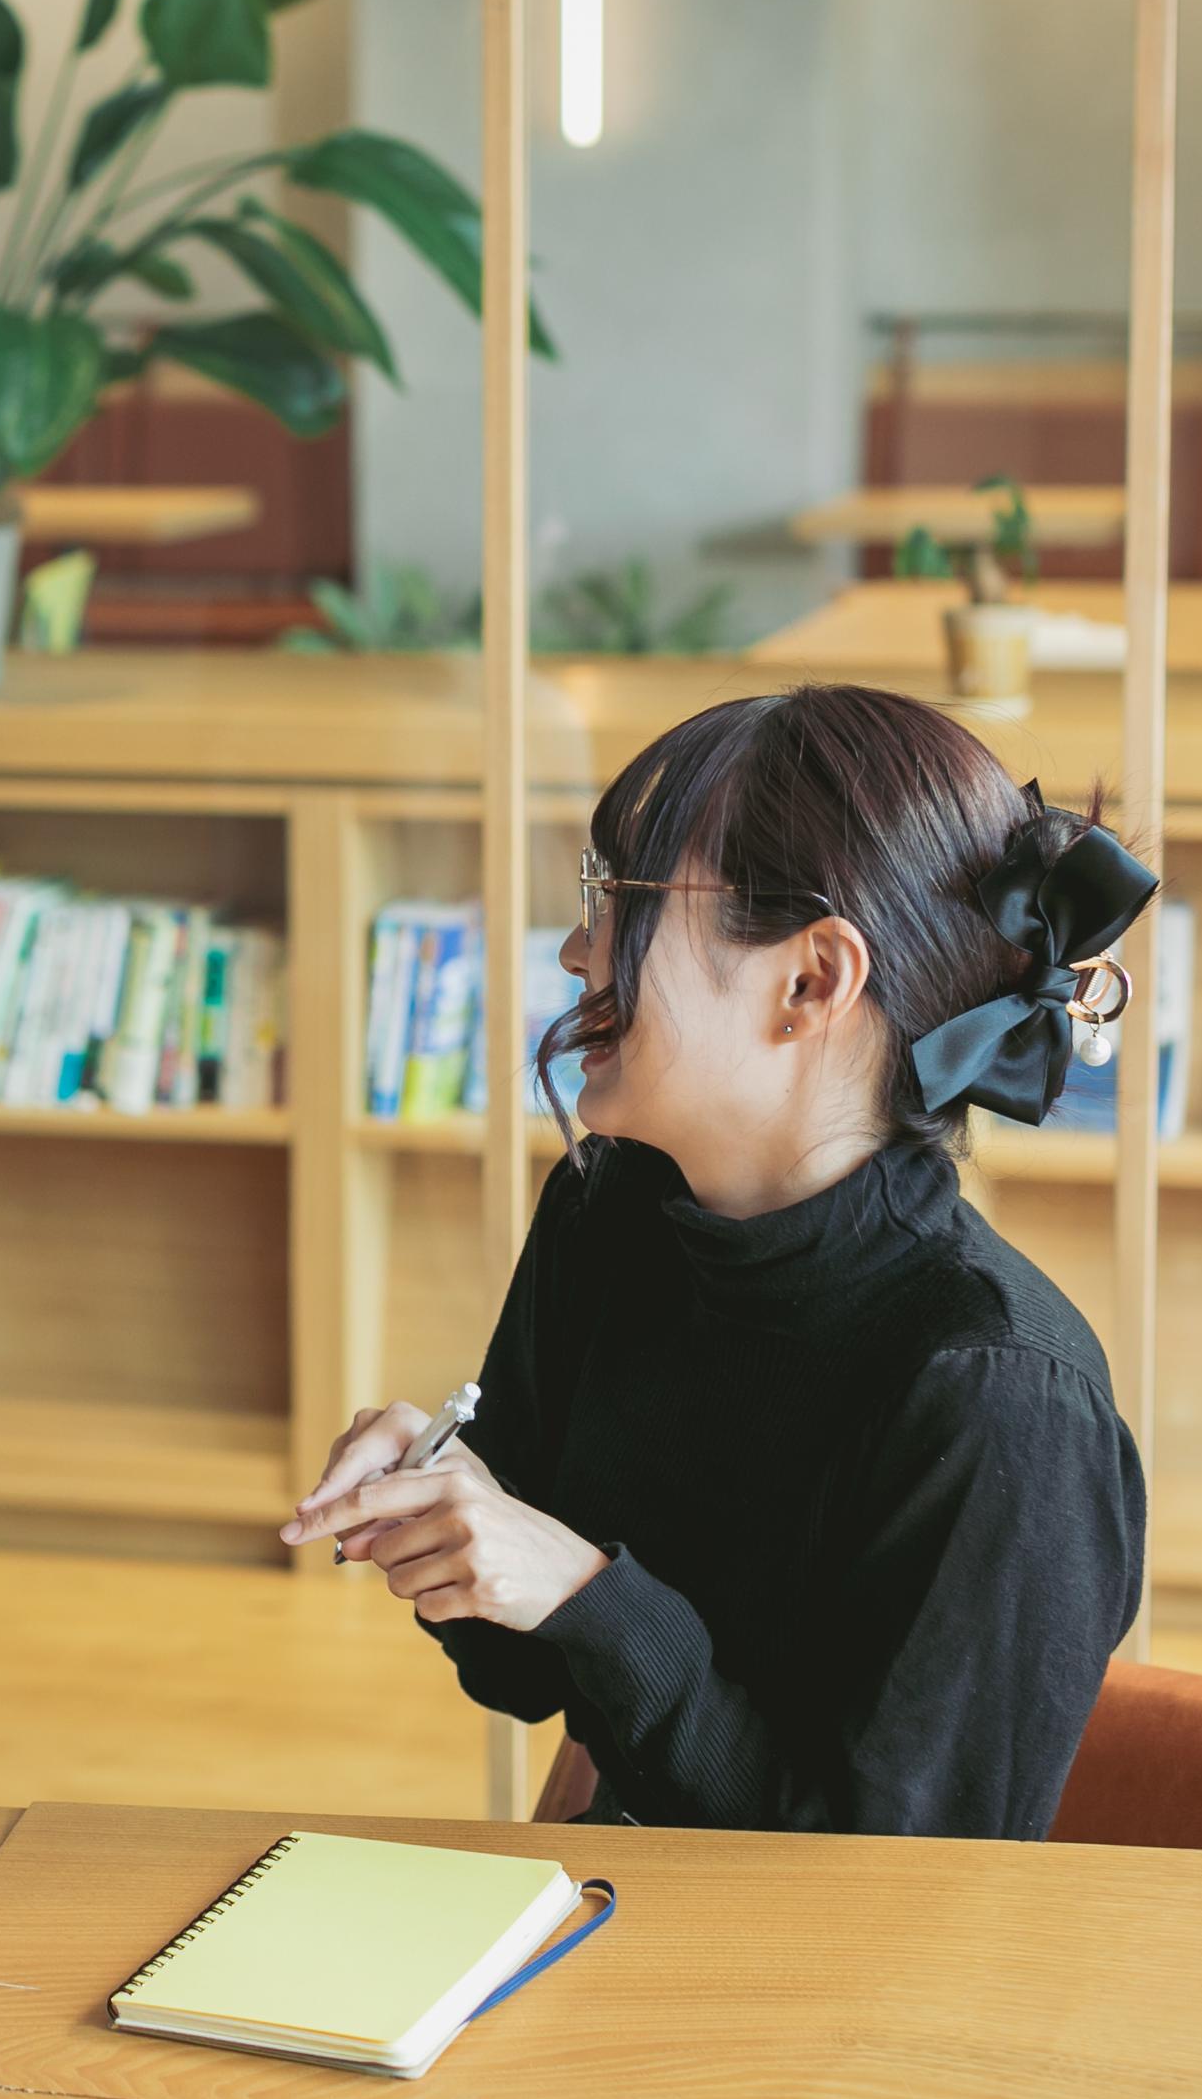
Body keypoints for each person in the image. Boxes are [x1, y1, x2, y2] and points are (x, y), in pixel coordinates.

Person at [283, 684, 1150, 1836]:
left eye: (618, 901)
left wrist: (590, 1594)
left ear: (811, 980)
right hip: (609, 1898)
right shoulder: (610, 1215)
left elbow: (896, 1891)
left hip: (817, 1951)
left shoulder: (1002, 1399)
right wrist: (453, 1505)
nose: (575, 950)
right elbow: (525, 1674)